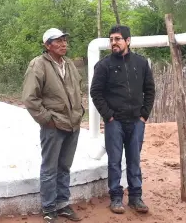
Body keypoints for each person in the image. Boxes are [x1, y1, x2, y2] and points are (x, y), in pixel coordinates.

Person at [90, 25, 155, 214]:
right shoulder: (104, 65)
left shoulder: (141, 64)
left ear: (128, 41)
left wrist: (144, 115)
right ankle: (116, 198)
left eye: (117, 39)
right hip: (114, 122)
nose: (113, 43)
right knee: (114, 161)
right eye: (111, 39)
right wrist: (108, 116)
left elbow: (149, 90)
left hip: (136, 121)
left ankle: (136, 198)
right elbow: (96, 92)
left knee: (134, 160)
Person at [22, 28, 85, 223]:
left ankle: (63, 204)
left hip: (73, 124)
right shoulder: (38, 65)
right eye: (58, 41)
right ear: (47, 45)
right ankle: (49, 208)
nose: (63, 43)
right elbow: (30, 98)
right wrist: (46, 119)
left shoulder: (69, 65)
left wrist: (79, 111)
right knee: (50, 168)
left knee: (64, 166)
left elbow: (78, 88)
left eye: (64, 40)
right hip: (53, 125)